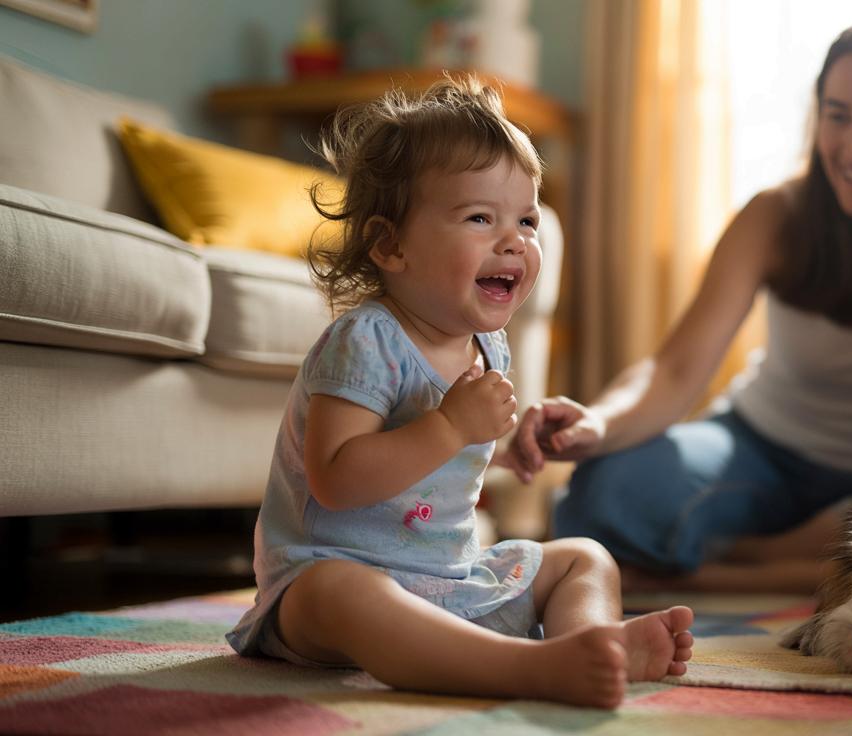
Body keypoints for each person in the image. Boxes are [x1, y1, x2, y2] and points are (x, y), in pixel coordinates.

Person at [505, 12, 852, 593]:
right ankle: (820, 560)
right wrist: (599, 422)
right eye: (837, 115)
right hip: (755, 453)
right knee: (605, 492)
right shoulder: (775, 214)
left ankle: (733, 566)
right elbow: (673, 370)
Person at [226, 79, 693, 710]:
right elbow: (335, 478)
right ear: (391, 245)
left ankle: (589, 645)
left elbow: (441, 473)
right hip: (325, 583)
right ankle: (525, 668)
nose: (515, 240)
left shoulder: (486, 345)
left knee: (584, 557)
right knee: (343, 592)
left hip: (448, 582)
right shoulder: (366, 340)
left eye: (526, 220)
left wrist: (508, 445)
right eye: (480, 218)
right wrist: (450, 428)